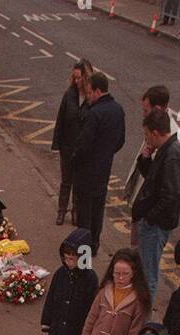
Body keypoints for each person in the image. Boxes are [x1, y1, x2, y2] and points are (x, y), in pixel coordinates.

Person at [131, 108, 180, 302]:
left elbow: (170, 194)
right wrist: (146, 157)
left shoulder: (172, 154)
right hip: (152, 222)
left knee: (148, 276)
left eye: (147, 135)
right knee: (144, 272)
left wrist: (150, 218)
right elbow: (153, 180)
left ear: (155, 133)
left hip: (155, 225)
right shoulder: (165, 151)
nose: (146, 140)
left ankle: (143, 323)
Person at [40, 229, 98, 335]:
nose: (68, 261)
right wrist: (46, 321)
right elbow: (51, 299)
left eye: (73, 258)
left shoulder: (90, 279)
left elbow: (92, 308)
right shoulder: (60, 274)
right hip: (58, 327)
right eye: (66, 257)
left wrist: (88, 331)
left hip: (76, 330)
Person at [72, 72, 126, 257]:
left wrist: (76, 159)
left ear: (97, 91)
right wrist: (106, 153)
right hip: (104, 169)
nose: (87, 97)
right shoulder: (118, 110)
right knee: (98, 209)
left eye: (89, 93)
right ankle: (94, 244)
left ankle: (84, 249)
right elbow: (120, 140)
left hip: (86, 171)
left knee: (84, 213)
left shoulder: (94, 113)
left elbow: (84, 144)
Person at [125, 85, 169, 249]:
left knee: (147, 267)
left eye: (145, 110)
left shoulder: (166, 141)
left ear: (157, 108)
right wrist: (145, 157)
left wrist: (149, 219)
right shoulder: (154, 129)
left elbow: (164, 188)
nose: (143, 114)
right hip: (142, 211)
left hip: (150, 220)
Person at [51, 60, 93, 226]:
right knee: (66, 181)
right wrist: (57, 144)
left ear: (87, 77)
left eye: (80, 78)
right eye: (74, 78)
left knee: (78, 183)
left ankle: (76, 212)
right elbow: (60, 119)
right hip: (67, 146)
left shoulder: (91, 97)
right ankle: (61, 211)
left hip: (82, 149)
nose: (76, 82)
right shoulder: (69, 94)